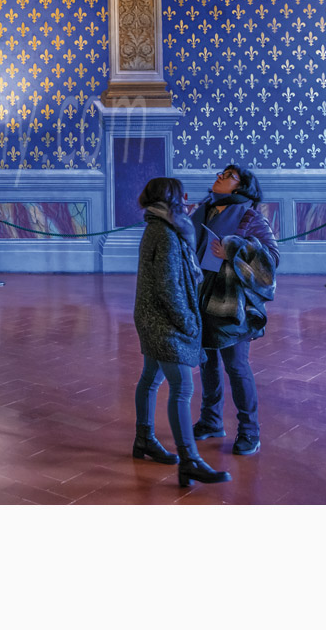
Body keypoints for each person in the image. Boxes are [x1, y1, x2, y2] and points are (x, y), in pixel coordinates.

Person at [133, 177, 232, 487]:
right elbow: (167, 285)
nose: (186, 197)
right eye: (180, 194)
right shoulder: (164, 231)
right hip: (164, 320)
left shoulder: (160, 225)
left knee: (151, 377)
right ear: (169, 198)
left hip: (152, 316)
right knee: (182, 387)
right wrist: (187, 322)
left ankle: (144, 440)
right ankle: (189, 460)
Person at [190, 165, 278, 456]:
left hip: (232, 303)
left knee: (237, 367)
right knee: (207, 363)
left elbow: (272, 257)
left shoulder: (250, 216)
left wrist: (232, 248)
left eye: (228, 176)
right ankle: (211, 420)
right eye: (221, 174)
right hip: (203, 296)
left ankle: (249, 431)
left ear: (241, 188)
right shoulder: (204, 210)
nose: (219, 177)